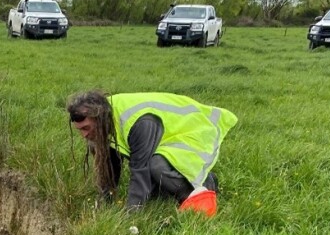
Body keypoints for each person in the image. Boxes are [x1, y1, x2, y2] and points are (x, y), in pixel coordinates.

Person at [66, 90, 237, 215]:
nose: (84, 135)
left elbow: (139, 169)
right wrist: (107, 198)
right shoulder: (105, 114)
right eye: (80, 130)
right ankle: (165, 188)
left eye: (86, 128)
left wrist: (131, 214)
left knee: (156, 166)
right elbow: (111, 161)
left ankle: (200, 188)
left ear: (99, 118)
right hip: (162, 137)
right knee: (97, 145)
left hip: (191, 133)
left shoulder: (140, 122)